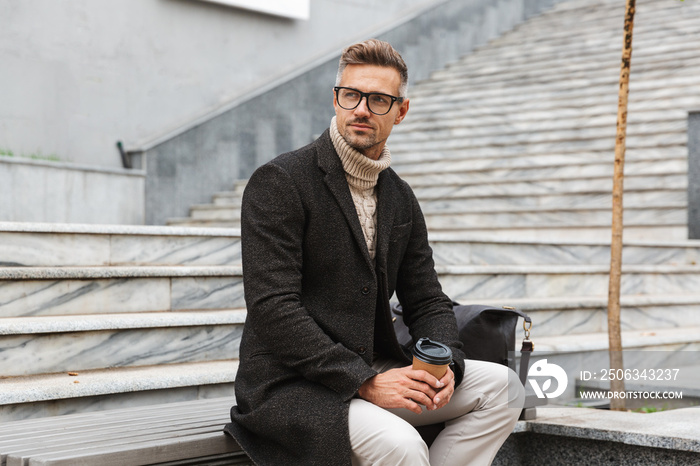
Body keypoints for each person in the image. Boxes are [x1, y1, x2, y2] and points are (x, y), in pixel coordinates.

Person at [225, 38, 524, 465]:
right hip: (292, 385)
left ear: (401, 111)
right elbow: (273, 307)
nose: (362, 109)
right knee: (400, 444)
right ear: (336, 99)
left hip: (375, 366)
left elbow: (427, 300)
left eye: (379, 99)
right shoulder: (281, 181)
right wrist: (363, 380)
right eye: (352, 95)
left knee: (505, 387)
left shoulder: (399, 196)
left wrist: (447, 368)